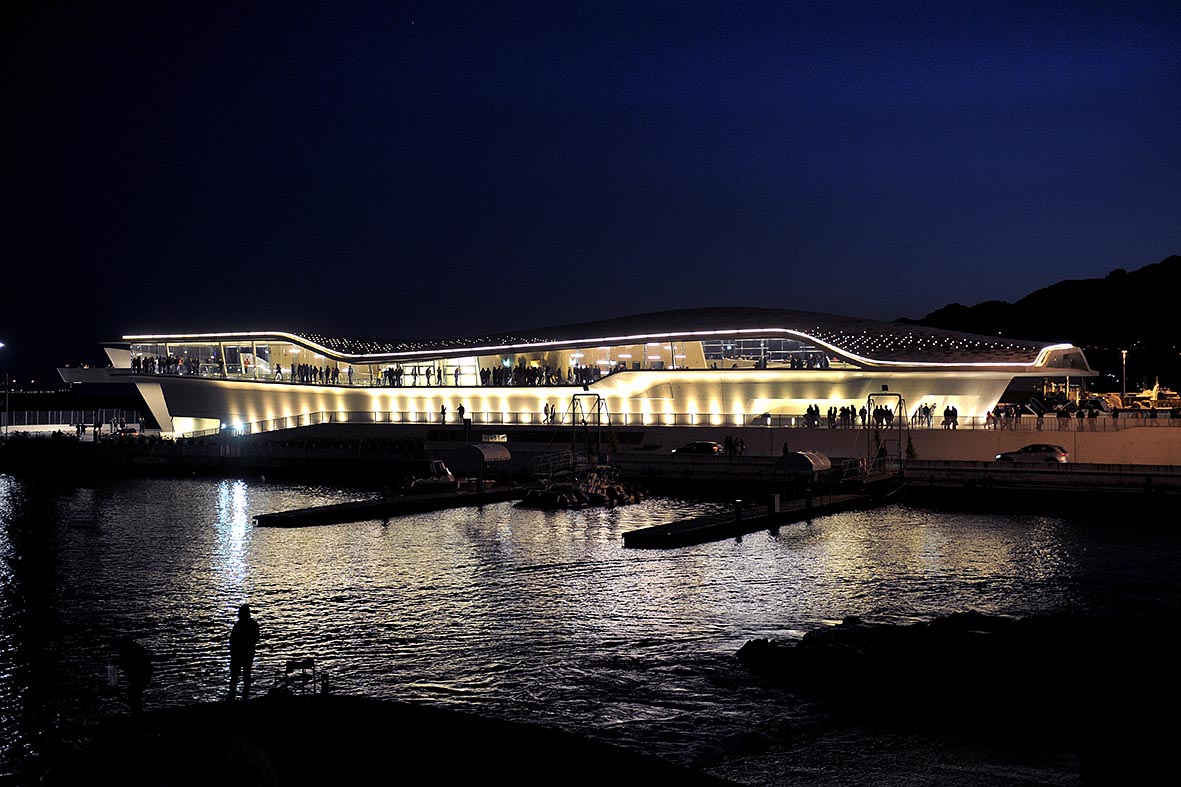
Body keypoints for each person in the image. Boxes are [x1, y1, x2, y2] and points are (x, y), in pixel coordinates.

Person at [229, 604, 260, 700]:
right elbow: (256, 639)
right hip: (247, 653)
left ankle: (232, 698)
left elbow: (232, 640)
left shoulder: (238, 625)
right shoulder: (254, 624)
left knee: (235, 677)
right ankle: (244, 697)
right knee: (246, 676)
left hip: (238, 654)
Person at [115, 637, 153, 712]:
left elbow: (126, 664)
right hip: (142, 675)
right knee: (135, 694)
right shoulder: (137, 650)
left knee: (134, 694)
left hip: (140, 676)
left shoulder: (130, 653)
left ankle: (136, 710)